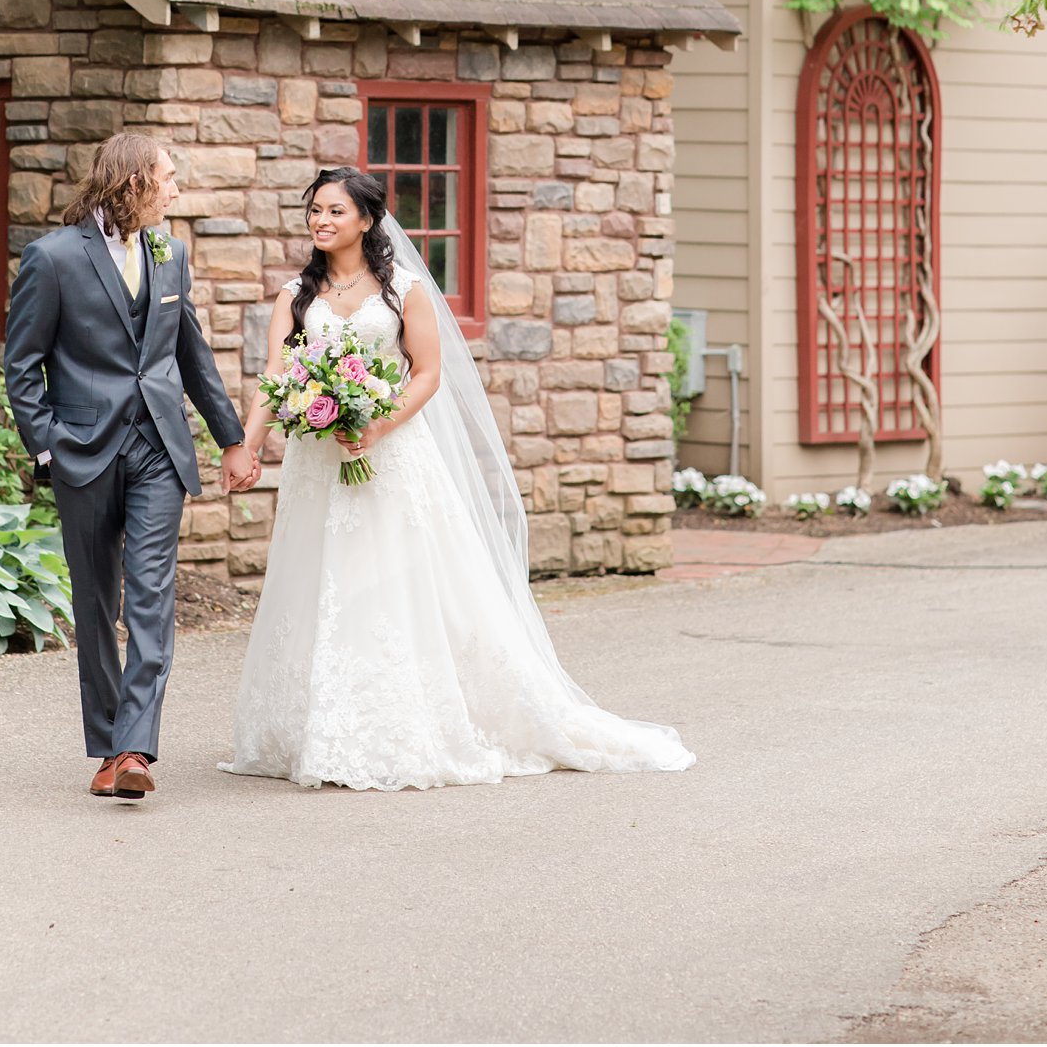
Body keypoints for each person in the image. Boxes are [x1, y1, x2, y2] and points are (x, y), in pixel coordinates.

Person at [223, 165, 695, 791]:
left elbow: (427, 373)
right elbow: (277, 376)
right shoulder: (295, 296)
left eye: (335, 211)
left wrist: (376, 425)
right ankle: (318, 727)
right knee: (320, 580)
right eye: (314, 211)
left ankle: (404, 721)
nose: (321, 221)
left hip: (388, 453)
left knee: (389, 580)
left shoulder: (404, 290)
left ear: (367, 219)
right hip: (318, 460)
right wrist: (246, 448)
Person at [4, 132, 257, 800]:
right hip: (81, 450)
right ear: (136, 180)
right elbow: (22, 363)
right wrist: (47, 443)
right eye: (168, 177)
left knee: (150, 594)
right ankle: (109, 743)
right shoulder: (53, 258)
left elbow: (191, 353)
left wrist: (230, 437)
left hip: (158, 451)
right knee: (95, 600)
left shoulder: (171, 256)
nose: (176, 189)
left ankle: (133, 747)